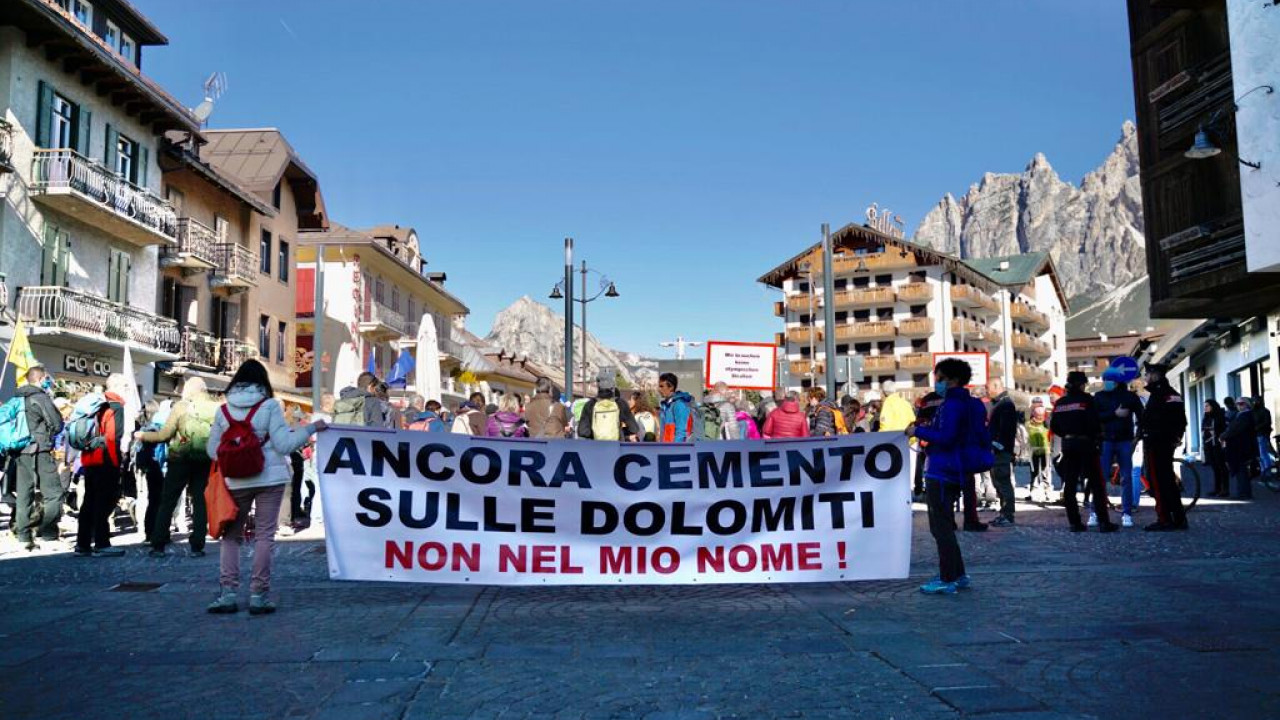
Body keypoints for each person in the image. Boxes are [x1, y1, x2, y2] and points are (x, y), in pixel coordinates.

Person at [205, 359, 326, 615]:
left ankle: (227, 594)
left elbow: (212, 450)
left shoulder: (223, 411)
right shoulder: (270, 406)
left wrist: (236, 454)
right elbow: (283, 445)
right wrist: (311, 429)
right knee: (264, 536)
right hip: (269, 479)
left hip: (235, 481)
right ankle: (258, 595)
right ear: (263, 383)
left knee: (230, 537)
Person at [905, 358, 988, 595]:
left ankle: (947, 577)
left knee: (940, 527)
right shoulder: (974, 404)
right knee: (944, 527)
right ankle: (958, 574)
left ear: (953, 380)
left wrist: (917, 430)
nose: (936, 382)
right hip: (960, 469)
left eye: (939, 378)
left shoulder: (951, 405)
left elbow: (947, 436)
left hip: (942, 470)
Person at [137, 377, 218, 557]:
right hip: (205, 459)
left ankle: (158, 543)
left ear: (188, 390)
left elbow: (165, 435)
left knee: (168, 501)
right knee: (200, 501)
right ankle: (198, 545)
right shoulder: (216, 408)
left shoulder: (181, 407)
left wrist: (143, 436)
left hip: (180, 458)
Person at [1049, 371, 1118, 533]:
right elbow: (1095, 423)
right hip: (1086, 444)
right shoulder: (1087, 400)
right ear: (1081, 385)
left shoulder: (1060, 403)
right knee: (1096, 484)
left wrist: (1067, 435)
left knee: (1070, 485)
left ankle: (1075, 523)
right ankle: (1103, 522)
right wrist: (1095, 438)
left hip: (1068, 445)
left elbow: (1054, 427)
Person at [75, 373, 130, 557]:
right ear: (118, 386)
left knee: (89, 501)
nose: (127, 390)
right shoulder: (115, 406)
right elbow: (112, 438)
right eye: (126, 386)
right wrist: (117, 463)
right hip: (106, 460)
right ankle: (101, 542)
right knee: (104, 501)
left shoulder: (96, 404)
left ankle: (82, 544)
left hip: (89, 458)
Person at [12, 365, 64, 551]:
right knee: (54, 493)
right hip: (39, 448)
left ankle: (23, 535)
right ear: (41, 379)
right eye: (46, 379)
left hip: (19, 450)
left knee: (24, 494)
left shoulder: (16, 397)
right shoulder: (41, 397)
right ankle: (48, 532)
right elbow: (57, 424)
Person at [1095, 368, 1145, 527]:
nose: (1105, 383)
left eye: (1107, 380)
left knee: (1126, 477)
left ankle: (1127, 513)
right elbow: (1095, 417)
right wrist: (1114, 414)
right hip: (1106, 440)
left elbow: (1142, 416)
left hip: (1124, 440)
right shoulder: (1099, 396)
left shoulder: (1130, 396)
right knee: (1101, 477)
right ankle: (1096, 512)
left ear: (1116, 382)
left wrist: (1137, 437)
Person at [1141, 363, 1189, 530]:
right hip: (1168, 443)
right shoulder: (1173, 394)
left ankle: (1164, 519)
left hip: (1156, 444)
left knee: (1158, 483)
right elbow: (1182, 421)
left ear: (1155, 375)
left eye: (1147, 374)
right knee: (1169, 481)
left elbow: (1152, 421)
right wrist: (1176, 438)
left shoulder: (1158, 395)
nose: (1145, 377)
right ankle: (1179, 518)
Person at [985, 378, 1018, 527]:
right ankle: (1003, 513)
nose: (987, 391)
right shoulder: (1000, 403)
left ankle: (1008, 514)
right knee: (997, 482)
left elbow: (1006, 430)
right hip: (996, 449)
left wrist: (996, 444)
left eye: (988, 388)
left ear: (997, 386)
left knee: (1003, 482)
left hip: (1001, 450)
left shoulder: (1005, 404)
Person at [578, 371, 640, 441]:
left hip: (595, 447)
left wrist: (595, 432)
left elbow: (582, 432)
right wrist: (619, 431)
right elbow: (634, 429)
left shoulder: (590, 404)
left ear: (598, 385)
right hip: (615, 446)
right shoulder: (620, 403)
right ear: (612, 385)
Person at [1221, 397, 1257, 501]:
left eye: (1241, 404)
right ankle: (1243, 492)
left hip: (1242, 447)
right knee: (1240, 470)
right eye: (1237, 404)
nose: (1239, 406)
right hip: (1238, 446)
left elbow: (1235, 429)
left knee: (1241, 470)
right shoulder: (1239, 415)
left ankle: (1244, 493)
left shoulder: (1246, 416)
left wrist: (1223, 435)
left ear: (1246, 405)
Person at [1202, 399, 1230, 498]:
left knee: (1221, 467)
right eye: (1204, 406)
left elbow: (1223, 430)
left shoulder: (1219, 417)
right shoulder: (1206, 417)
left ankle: (1225, 489)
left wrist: (1216, 434)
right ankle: (1217, 488)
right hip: (1209, 445)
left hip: (1218, 445)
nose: (1205, 408)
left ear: (1213, 406)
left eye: (1207, 406)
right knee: (1215, 467)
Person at [658, 373, 697, 442]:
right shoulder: (665, 406)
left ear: (671, 387)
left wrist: (675, 449)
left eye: (662, 386)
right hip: (666, 448)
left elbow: (682, 432)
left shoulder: (679, 405)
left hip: (675, 449)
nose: (659, 389)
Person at [1025, 401, 1051, 502]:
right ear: (1034, 414)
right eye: (1038, 414)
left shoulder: (1047, 423)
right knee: (1033, 472)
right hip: (1033, 451)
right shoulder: (1028, 424)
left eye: (1041, 414)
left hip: (1046, 451)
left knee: (1045, 472)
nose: (1040, 417)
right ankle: (1032, 492)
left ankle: (1047, 493)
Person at [1252, 396, 1274, 476]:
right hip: (1259, 434)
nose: (1254, 402)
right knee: (1262, 453)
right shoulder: (1257, 411)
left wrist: (1256, 428)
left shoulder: (1263, 411)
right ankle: (1264, 470)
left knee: (1263, 453)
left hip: (1261, 433)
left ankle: (1266, 471)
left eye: (1255, 401)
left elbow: (1267, 422)